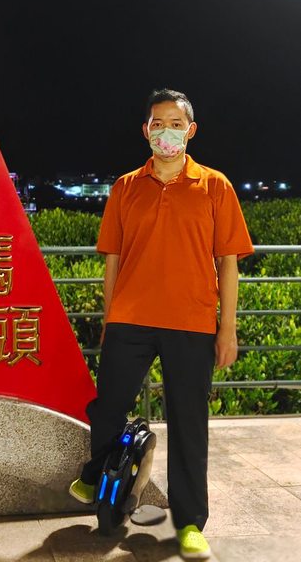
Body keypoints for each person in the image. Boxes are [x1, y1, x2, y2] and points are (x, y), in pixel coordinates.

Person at [69, 89, 253, 559]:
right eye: (157, 123)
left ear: (191, 131)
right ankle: (95, 476)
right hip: (130, 318)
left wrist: (227, 328)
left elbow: (228, 263)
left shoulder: (215, 186)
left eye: (175, 123)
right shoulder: (126, 187)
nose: (165, 131)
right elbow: (112, 259)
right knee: (108, 407)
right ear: (145, 130)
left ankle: (189, 522)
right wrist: (110, 316)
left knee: (189, 424)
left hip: (191, 322)